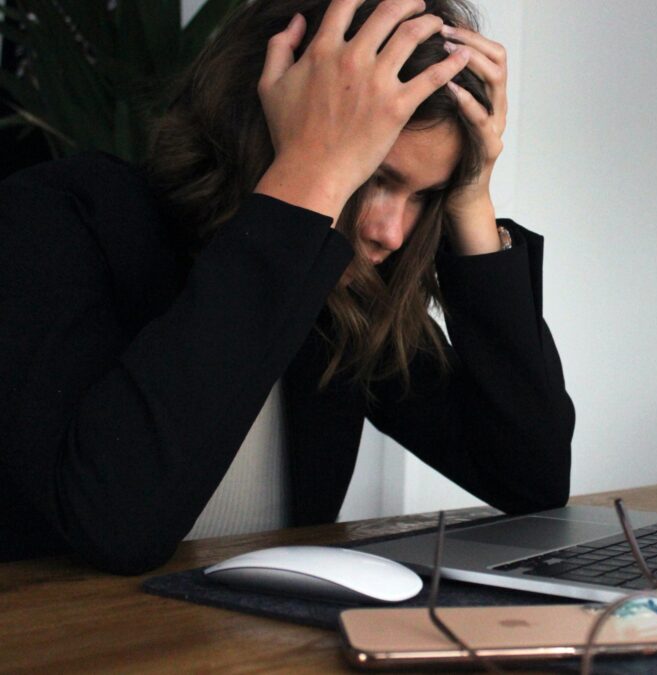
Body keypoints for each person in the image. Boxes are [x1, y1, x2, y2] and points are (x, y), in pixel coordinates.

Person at [0, 0, 574, 574]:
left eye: (426, 195)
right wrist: (311, 178)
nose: (391, 232)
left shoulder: (340, 293)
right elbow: (115, 525)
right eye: (372, 175)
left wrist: (471, 198)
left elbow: (530, 477)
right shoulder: (57, 218)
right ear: (268, 118)